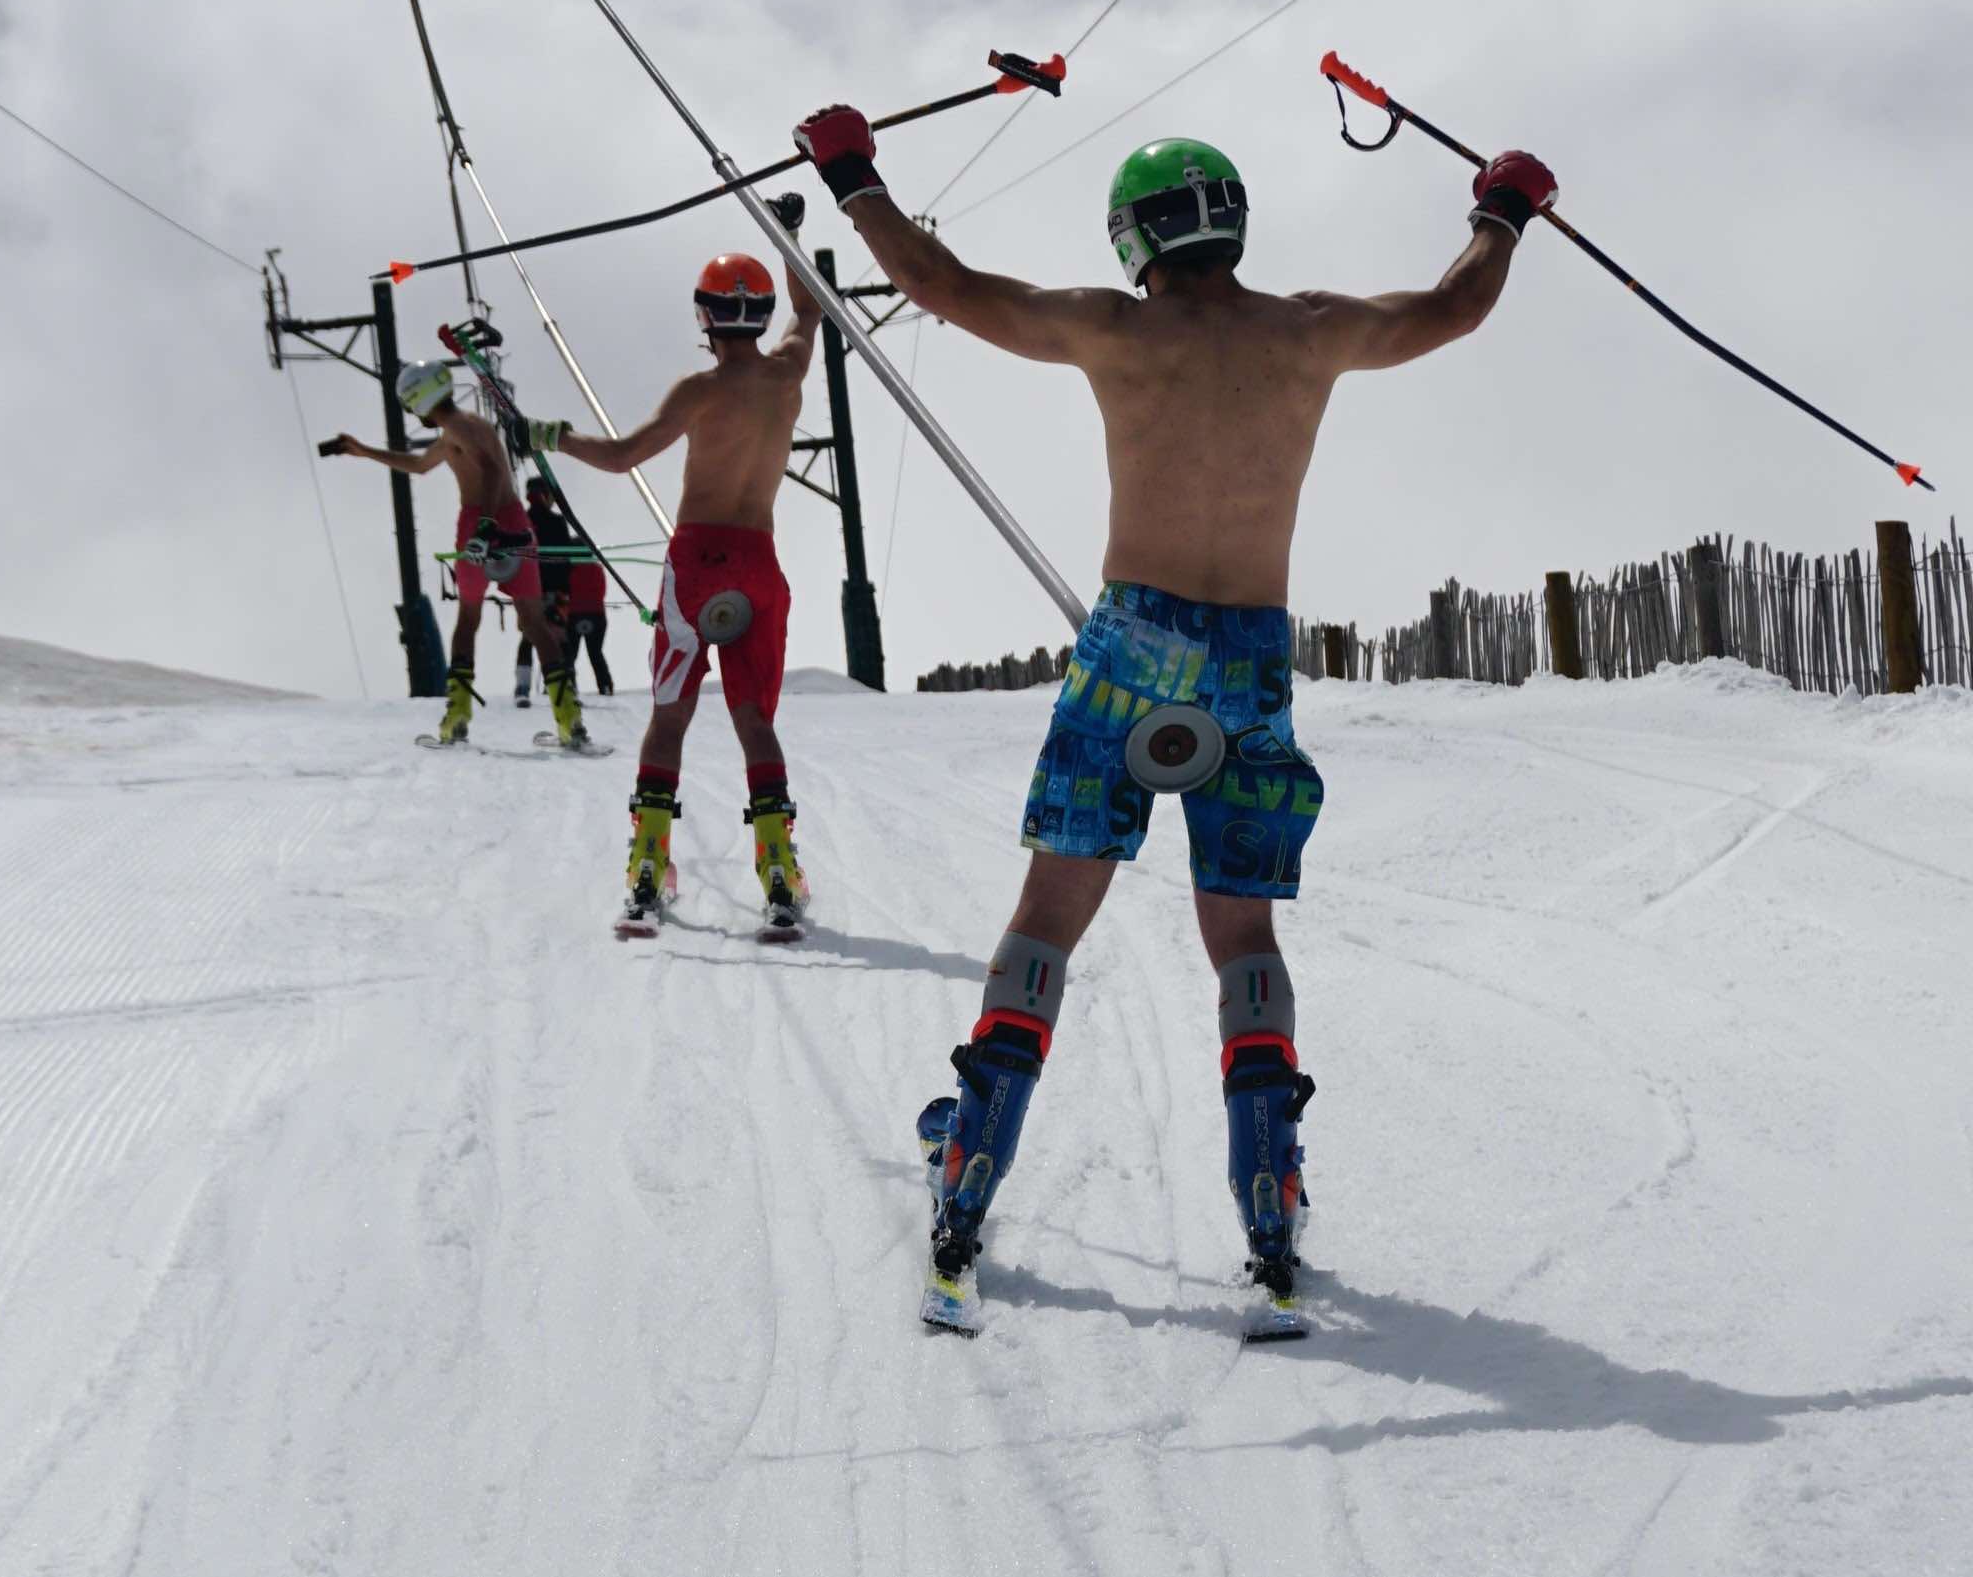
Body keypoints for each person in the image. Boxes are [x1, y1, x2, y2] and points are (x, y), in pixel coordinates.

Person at [794, 100, 1554, 1325]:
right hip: (1247, 656)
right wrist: (1503, 209)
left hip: (1130, 645)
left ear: (1132, 240)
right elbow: (1455, 306)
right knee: (1242, 939)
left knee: (1049, 916)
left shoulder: (1111, 330)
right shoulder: (1312, 336)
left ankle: (970, 1174)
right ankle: (1269, 1198)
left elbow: (935, 283)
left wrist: (849, 174)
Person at [516, 249, 822, 934]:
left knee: (672, 712)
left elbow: (623, 457)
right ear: (761, 311)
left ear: (705, 314)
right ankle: (778, 868)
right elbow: (810, 310)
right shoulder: (788, 375)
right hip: (758, 563)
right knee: (754, 718)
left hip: (697, 561)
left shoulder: (698, 390)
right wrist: (789, 238)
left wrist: (551, 436)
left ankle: (648, 867)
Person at [322, 361, 587, 747]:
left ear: (418, 401)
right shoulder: (460, 428)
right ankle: (569, 719)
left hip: (481, 522)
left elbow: (492, 470)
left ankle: (457, 713)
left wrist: (482, 526)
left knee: (467, 620)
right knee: (533, 622)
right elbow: (419, 464)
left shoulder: (460, 429)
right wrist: (364, 451)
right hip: (512, 521)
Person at [515, 475, 578, 707]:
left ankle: (522, 688)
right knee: (559, 637)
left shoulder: (521, 521)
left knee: (529, 637)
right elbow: (566, 558)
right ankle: (568, 685)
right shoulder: (556, 522)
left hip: (529, 590)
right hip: (554, 588)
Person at [565, 551, 614, 695]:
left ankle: (568, 686)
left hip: (573, 615)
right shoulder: (597, 568)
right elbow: (602, 591)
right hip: (597, 615)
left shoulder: (568, 568)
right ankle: (605, 685)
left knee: (569, 654)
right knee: (595, 652)